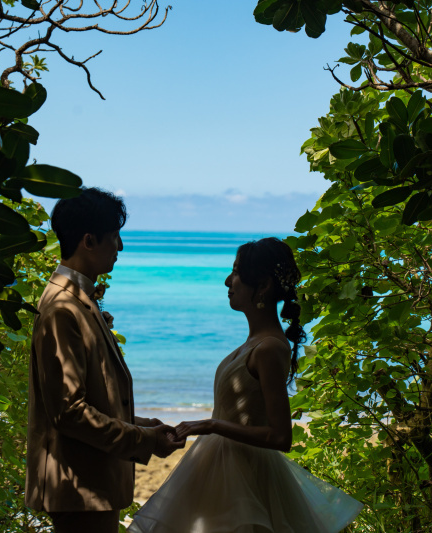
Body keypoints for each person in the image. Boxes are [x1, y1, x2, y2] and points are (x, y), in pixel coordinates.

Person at [128, 237, 364, 533]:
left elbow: (281, 437)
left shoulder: (269, 348)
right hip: (220, 468)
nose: (228, 280)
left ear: (262, 286)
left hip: (244, 476)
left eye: (236, 272)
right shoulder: (255, 344)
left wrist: (211, 425)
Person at [25, 187, 184, 533]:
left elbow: (93, 399)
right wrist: (144, 439)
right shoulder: (63, 309)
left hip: (89, 487)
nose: (121, 247)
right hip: (80, 488)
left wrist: (141, 424)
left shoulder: (77, 299)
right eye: (115, 237)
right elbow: (69, 412)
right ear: (89, 241)